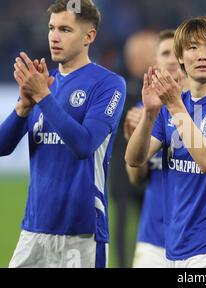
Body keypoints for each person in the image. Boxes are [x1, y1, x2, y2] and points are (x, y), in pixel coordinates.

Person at [0, 0, 126, 268]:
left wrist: (44, 97)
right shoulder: (44, 84)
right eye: (51, 28)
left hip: (81, 232)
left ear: (89, 36)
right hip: (34, 229)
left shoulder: (108, 84)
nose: (54, 37)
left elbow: (84, 144)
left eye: (66, 30)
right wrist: (23, 106)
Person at [125, 16, 206, 268]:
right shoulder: (167, 108)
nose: (202, 55)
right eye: (193, 48)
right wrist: (150, 114)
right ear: (181, 57)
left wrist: (174, 105)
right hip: (174, 246)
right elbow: (133, 159)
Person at [125, 29, 186, 268]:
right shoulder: (145, 110)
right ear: (155, 61)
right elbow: (136, 176)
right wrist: (134, 138)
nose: (171, 59)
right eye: (164, 53)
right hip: (152, 239)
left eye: (177, 53)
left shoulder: (203, 109)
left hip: (194, 240)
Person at [108, 29, 158, 268]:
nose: (151, 58)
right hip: (121, 168)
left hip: (152, 169)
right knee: (123, 225)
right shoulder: (117, 85)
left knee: (152, 225)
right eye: (147, 53)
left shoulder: (163, 86)